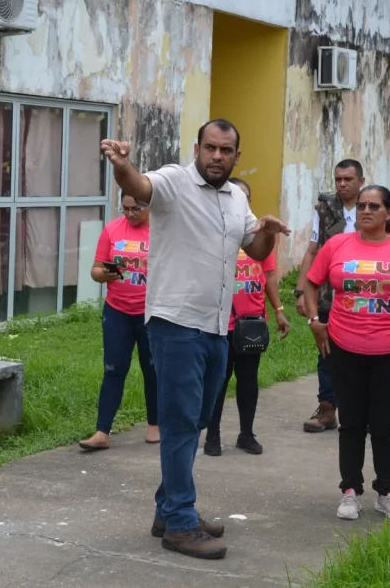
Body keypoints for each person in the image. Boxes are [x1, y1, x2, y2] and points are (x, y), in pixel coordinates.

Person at [100, 119, 289, 561]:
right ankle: (181, 524)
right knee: (181, 422)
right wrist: (122, 166)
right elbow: (138, 185)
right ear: (197, 148)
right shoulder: (174, 181)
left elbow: (256, 251)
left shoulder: (236, 196)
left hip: (216, 326)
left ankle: (168, 510)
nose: (217, 156)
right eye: (210, 148)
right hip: (176, 323)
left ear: (237, 156)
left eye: (226, 150)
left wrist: (266, 230)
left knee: (199, 419)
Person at [302, 185, 390, 521]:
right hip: (344, 347)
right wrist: (315, 320)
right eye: (361, 206)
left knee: (385, 424)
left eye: (374, 206)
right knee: (351, 423)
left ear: (389, 213)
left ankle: (386, 492)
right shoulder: (337, 245)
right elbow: (312, 283)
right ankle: (350, 491)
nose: (366, 211)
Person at [204, 178, 290, 458]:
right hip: (220, 323)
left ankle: (246, 433)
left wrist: (278, 312)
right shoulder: (216, 233)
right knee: (218, 380)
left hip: (251, 323)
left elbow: (269, 278)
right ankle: (212, 435)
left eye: (246, 197)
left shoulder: (260, 236)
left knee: (248, 380)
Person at [78, 191, 159, 451]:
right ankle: (102, 431)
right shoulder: (112, 230)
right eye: (125, 208)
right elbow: (95, 269)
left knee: (153, 370)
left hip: (151, 314)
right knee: (113, 370)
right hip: (117, 312)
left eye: (136, 209)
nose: (130, 214)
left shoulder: (162, 230)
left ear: (150, 205)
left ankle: (155, 425)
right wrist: (105, 274)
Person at [294, 159, 365, 433]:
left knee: (361, 354)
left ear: (361, 180)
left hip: (363, 297)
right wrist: (301, 291)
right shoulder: (324, 209)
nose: (343, 184)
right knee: (326, 352)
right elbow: (312, 249)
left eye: (348, 179)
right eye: (338, 179)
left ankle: (359, 410)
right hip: (327, 293)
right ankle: (326, 410)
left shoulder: (372, 206)